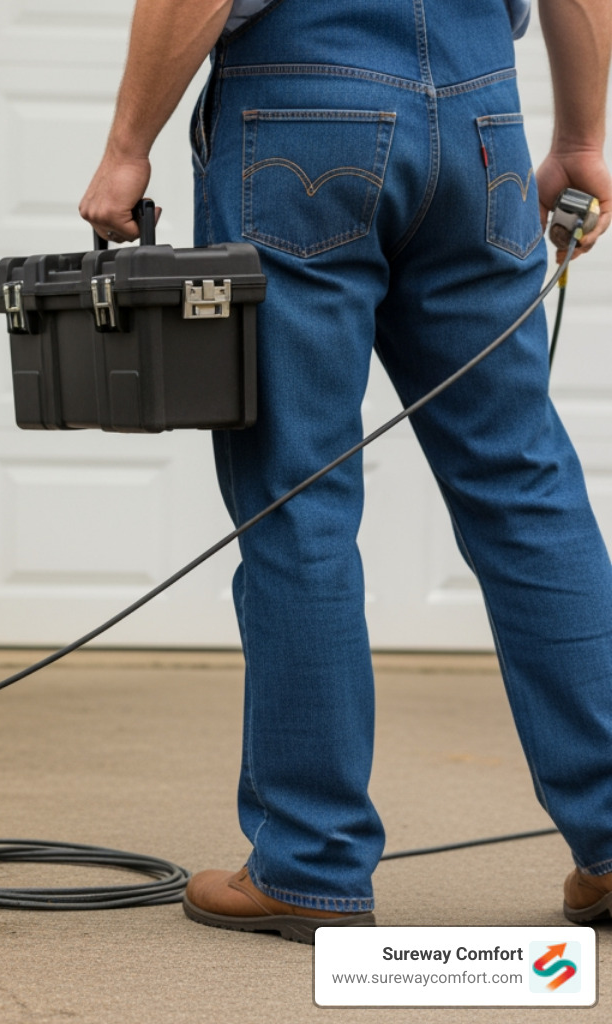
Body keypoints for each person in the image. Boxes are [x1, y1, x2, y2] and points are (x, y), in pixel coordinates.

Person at [80, 0, 612, 939]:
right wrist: (580, 136)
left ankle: (310, 864)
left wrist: (129, 145)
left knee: (298, 496)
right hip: (481, 119)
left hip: (298, 118)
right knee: (523, 486)